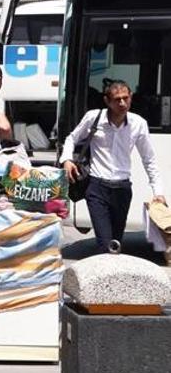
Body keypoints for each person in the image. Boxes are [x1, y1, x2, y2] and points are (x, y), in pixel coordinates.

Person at [60, 80, 166, 252]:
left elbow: (149, 159)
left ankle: (112, 275)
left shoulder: (138, 123)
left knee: (116, 243)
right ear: (107, 101)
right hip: (96, 187)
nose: (122, 103)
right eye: (117, 99)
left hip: (122, 189)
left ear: (131, 97)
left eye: (126, 98)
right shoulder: (94, 118)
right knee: (105, 243)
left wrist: (158, 192)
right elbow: (72, 138)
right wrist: (66, 160)